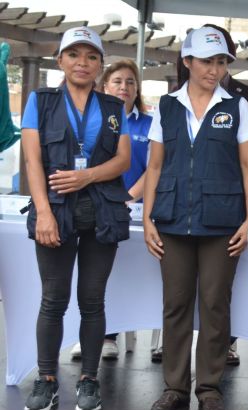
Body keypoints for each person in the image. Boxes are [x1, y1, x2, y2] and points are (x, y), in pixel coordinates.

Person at [143, 26, 248, 410]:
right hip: (173, 218)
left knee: (214, 303)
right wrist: (147, 218)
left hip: (222, 221)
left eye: (221, 62)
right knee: (175, 304)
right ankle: (174, 386)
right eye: (207, 61)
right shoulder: (166, 106)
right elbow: (155, 165)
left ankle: (209, 387)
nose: (215, 69)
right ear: (188, 62)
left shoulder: (237, 106)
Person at [21, 26, 132, 410]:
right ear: (60, 61)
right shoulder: (41, 100)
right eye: (74, 55)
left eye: (90, 57)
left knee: (92, 300)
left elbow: (122, 161)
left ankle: (89, 380)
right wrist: (44, 212)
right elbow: (33, 160)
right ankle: (47, 379)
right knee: (53, 300)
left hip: (102, 209)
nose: (82, 63)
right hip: (56, 209)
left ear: (100, 65)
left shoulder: (114, 107)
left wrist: (86, 175)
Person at [70, 59, 153, 361]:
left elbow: (154, 167)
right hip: (100, 208)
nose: (124, 87)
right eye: (117, 81)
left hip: (137, 211)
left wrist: (128, 197)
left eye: (130, 82)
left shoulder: (149, 123)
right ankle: (102, 336)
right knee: (97, 275)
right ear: (105, 85)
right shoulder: (93, 120)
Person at [202, 23, 248, 367]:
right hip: (192, 202)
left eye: (222, 57)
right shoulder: (178, 93)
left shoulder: (246, 95)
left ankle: (226, 342)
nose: (214, 65)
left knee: (224, 283)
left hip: (233, 199)